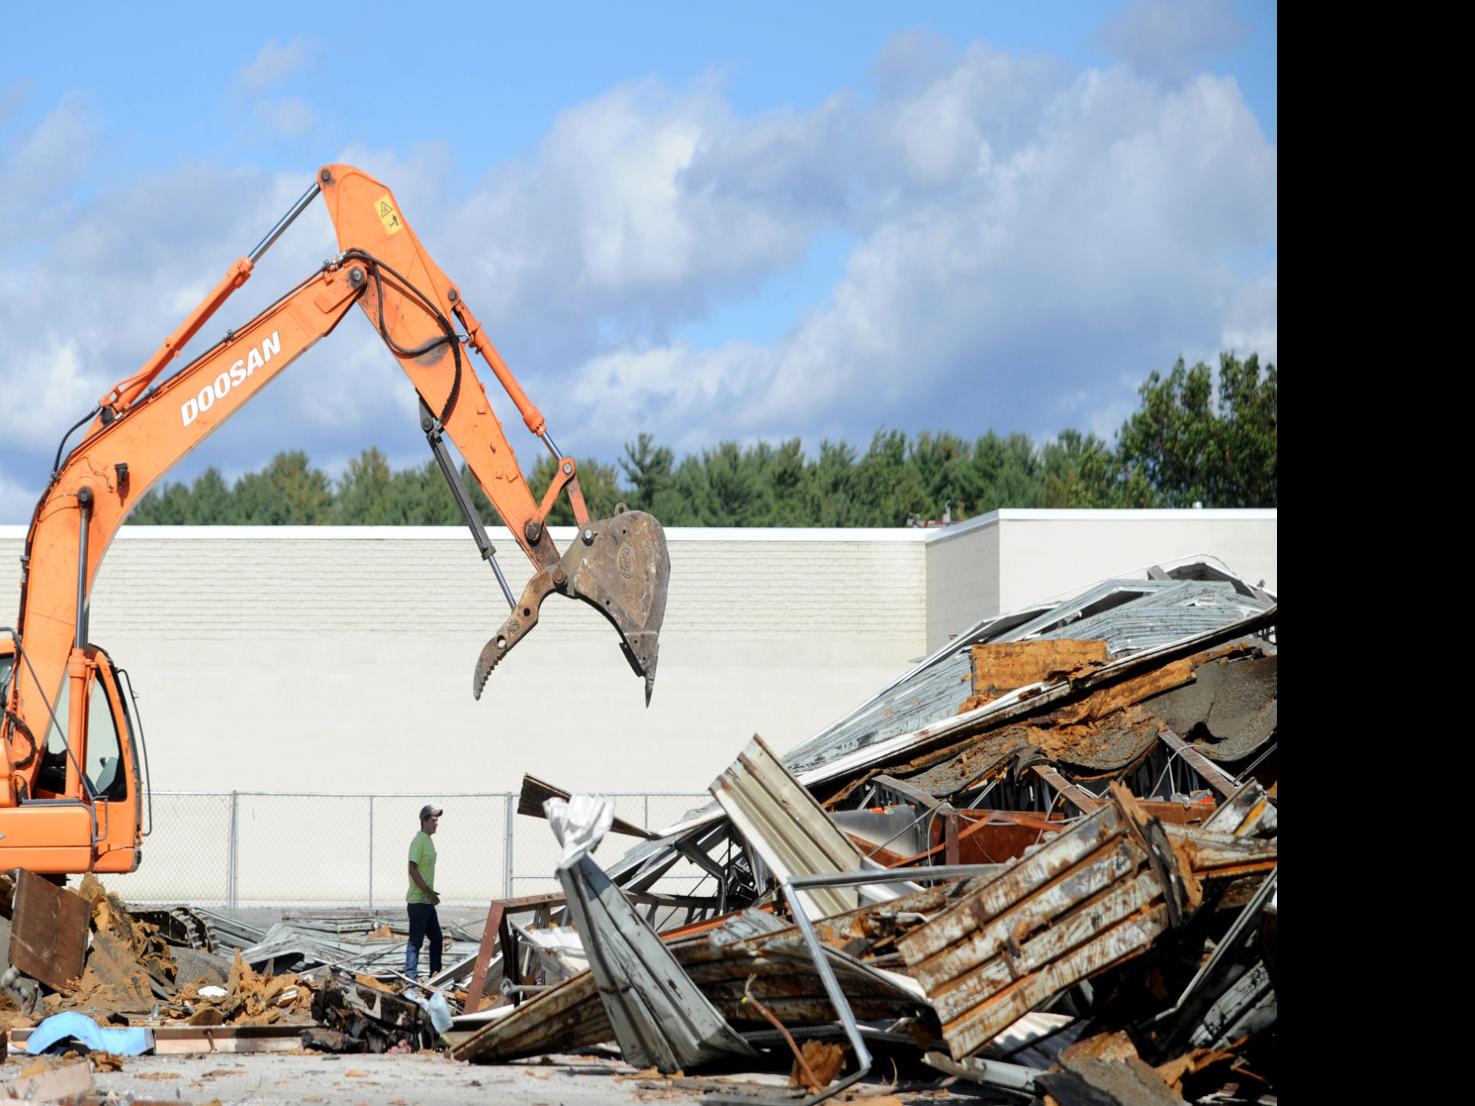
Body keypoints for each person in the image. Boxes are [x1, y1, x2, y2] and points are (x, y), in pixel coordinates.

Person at [405, 804, 443, 981]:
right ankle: (411, 978)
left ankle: (435, 975)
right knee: (415, 942)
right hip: (418, 901)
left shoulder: (428, 840)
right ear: (424, 821)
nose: (436, 824)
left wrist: (429, 894)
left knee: (436, 938)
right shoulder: (419, 840)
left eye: (437, 820)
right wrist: (426, 891)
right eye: (433, 820)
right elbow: (412, 868)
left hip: (426, 901)